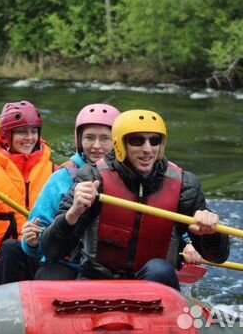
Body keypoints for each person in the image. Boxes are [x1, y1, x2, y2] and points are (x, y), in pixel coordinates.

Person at [39, 109, 230, 290]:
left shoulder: (186, 186)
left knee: (159, 269)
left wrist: (210, 234)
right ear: (120, 145)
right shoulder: (91, 177)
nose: (148, 149)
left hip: (155, 283)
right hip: (97, 281)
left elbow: (217, 257)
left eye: (154, 141)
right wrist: (72, 214)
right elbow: (51, 251)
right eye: (137, 141)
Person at [21, 103, 120, 280]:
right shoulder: (62, 178)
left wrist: (188, 243)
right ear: (79, 140)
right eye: (89, 138)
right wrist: (32, 243)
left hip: (111, 267)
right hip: (65, 264)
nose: (97, 146)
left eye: (105, 138)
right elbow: (33, 241)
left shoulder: (130, 178)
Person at [0, 101, 57, 289]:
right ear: (6, 136)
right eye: (21, 132)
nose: (29, 138)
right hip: (2, 256)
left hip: (41, 252)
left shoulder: (53, 170)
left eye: (33, 131)